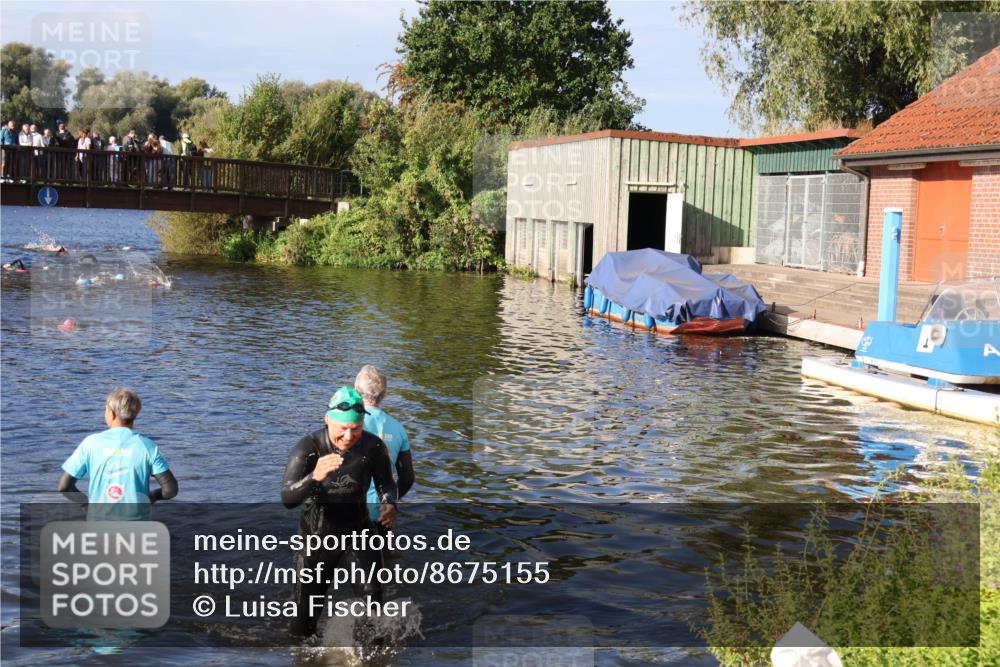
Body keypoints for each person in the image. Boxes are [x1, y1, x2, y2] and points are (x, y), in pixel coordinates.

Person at [280, 386, 398, 637]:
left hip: (359, 530)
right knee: (305, 616)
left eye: (355, 429)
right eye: (342, 429)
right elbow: (288, 497)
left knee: (373, 599)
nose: (348, 436)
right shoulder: (309, 448)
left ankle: (371, 658)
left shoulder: (372, 447)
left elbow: (386, 483)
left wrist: (389, 503)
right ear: (327, 419)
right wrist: (315, 476)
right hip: (317, 536)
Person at [57, 388, 178, 520]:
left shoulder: (90, 444)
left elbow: (64, 486)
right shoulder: (148, 446)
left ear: (111, 413)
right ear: (136, 413)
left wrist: (85, 502)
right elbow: (170, 490)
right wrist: (153, 496)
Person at [354, 365, 414, 527]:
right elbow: (407, 478)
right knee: (381, 550)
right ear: (384, 394)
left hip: (349, 510)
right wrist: (390, 501)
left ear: (356, 391)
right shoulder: (398, 428)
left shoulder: (348, 425)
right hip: (383, 513)